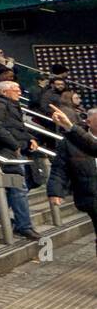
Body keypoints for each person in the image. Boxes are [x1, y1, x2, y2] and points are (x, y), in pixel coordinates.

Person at [0, 80, 42, 241]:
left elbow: (17, 126)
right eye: (16, 90)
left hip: (16, 150)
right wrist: (14, 144)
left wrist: (30, 138)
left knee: (26, 183)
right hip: (6, 152)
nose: (20, 92)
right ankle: (24, 226)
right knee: (18, 187)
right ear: (4, 92)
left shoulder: (12, 106)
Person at [48, 105, 97, 252]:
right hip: (91, 193)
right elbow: (59, 168)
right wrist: (55, 190)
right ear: (88, 122)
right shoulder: (70, 143)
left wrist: (70, 126)